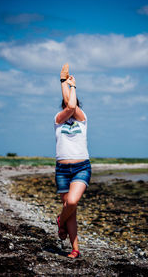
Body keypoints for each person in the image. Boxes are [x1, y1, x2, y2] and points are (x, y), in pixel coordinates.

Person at [54, 63, 91, 258]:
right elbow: (68, 106)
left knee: (72, 202)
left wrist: (70, 85)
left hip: (81, 168)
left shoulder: (83, 119)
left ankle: (60, 220)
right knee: (72, 210)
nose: (68, 106)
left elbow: (72, 105)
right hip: (62, 169)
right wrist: (64, 83)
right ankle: (75, 249)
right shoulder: (58, 119)